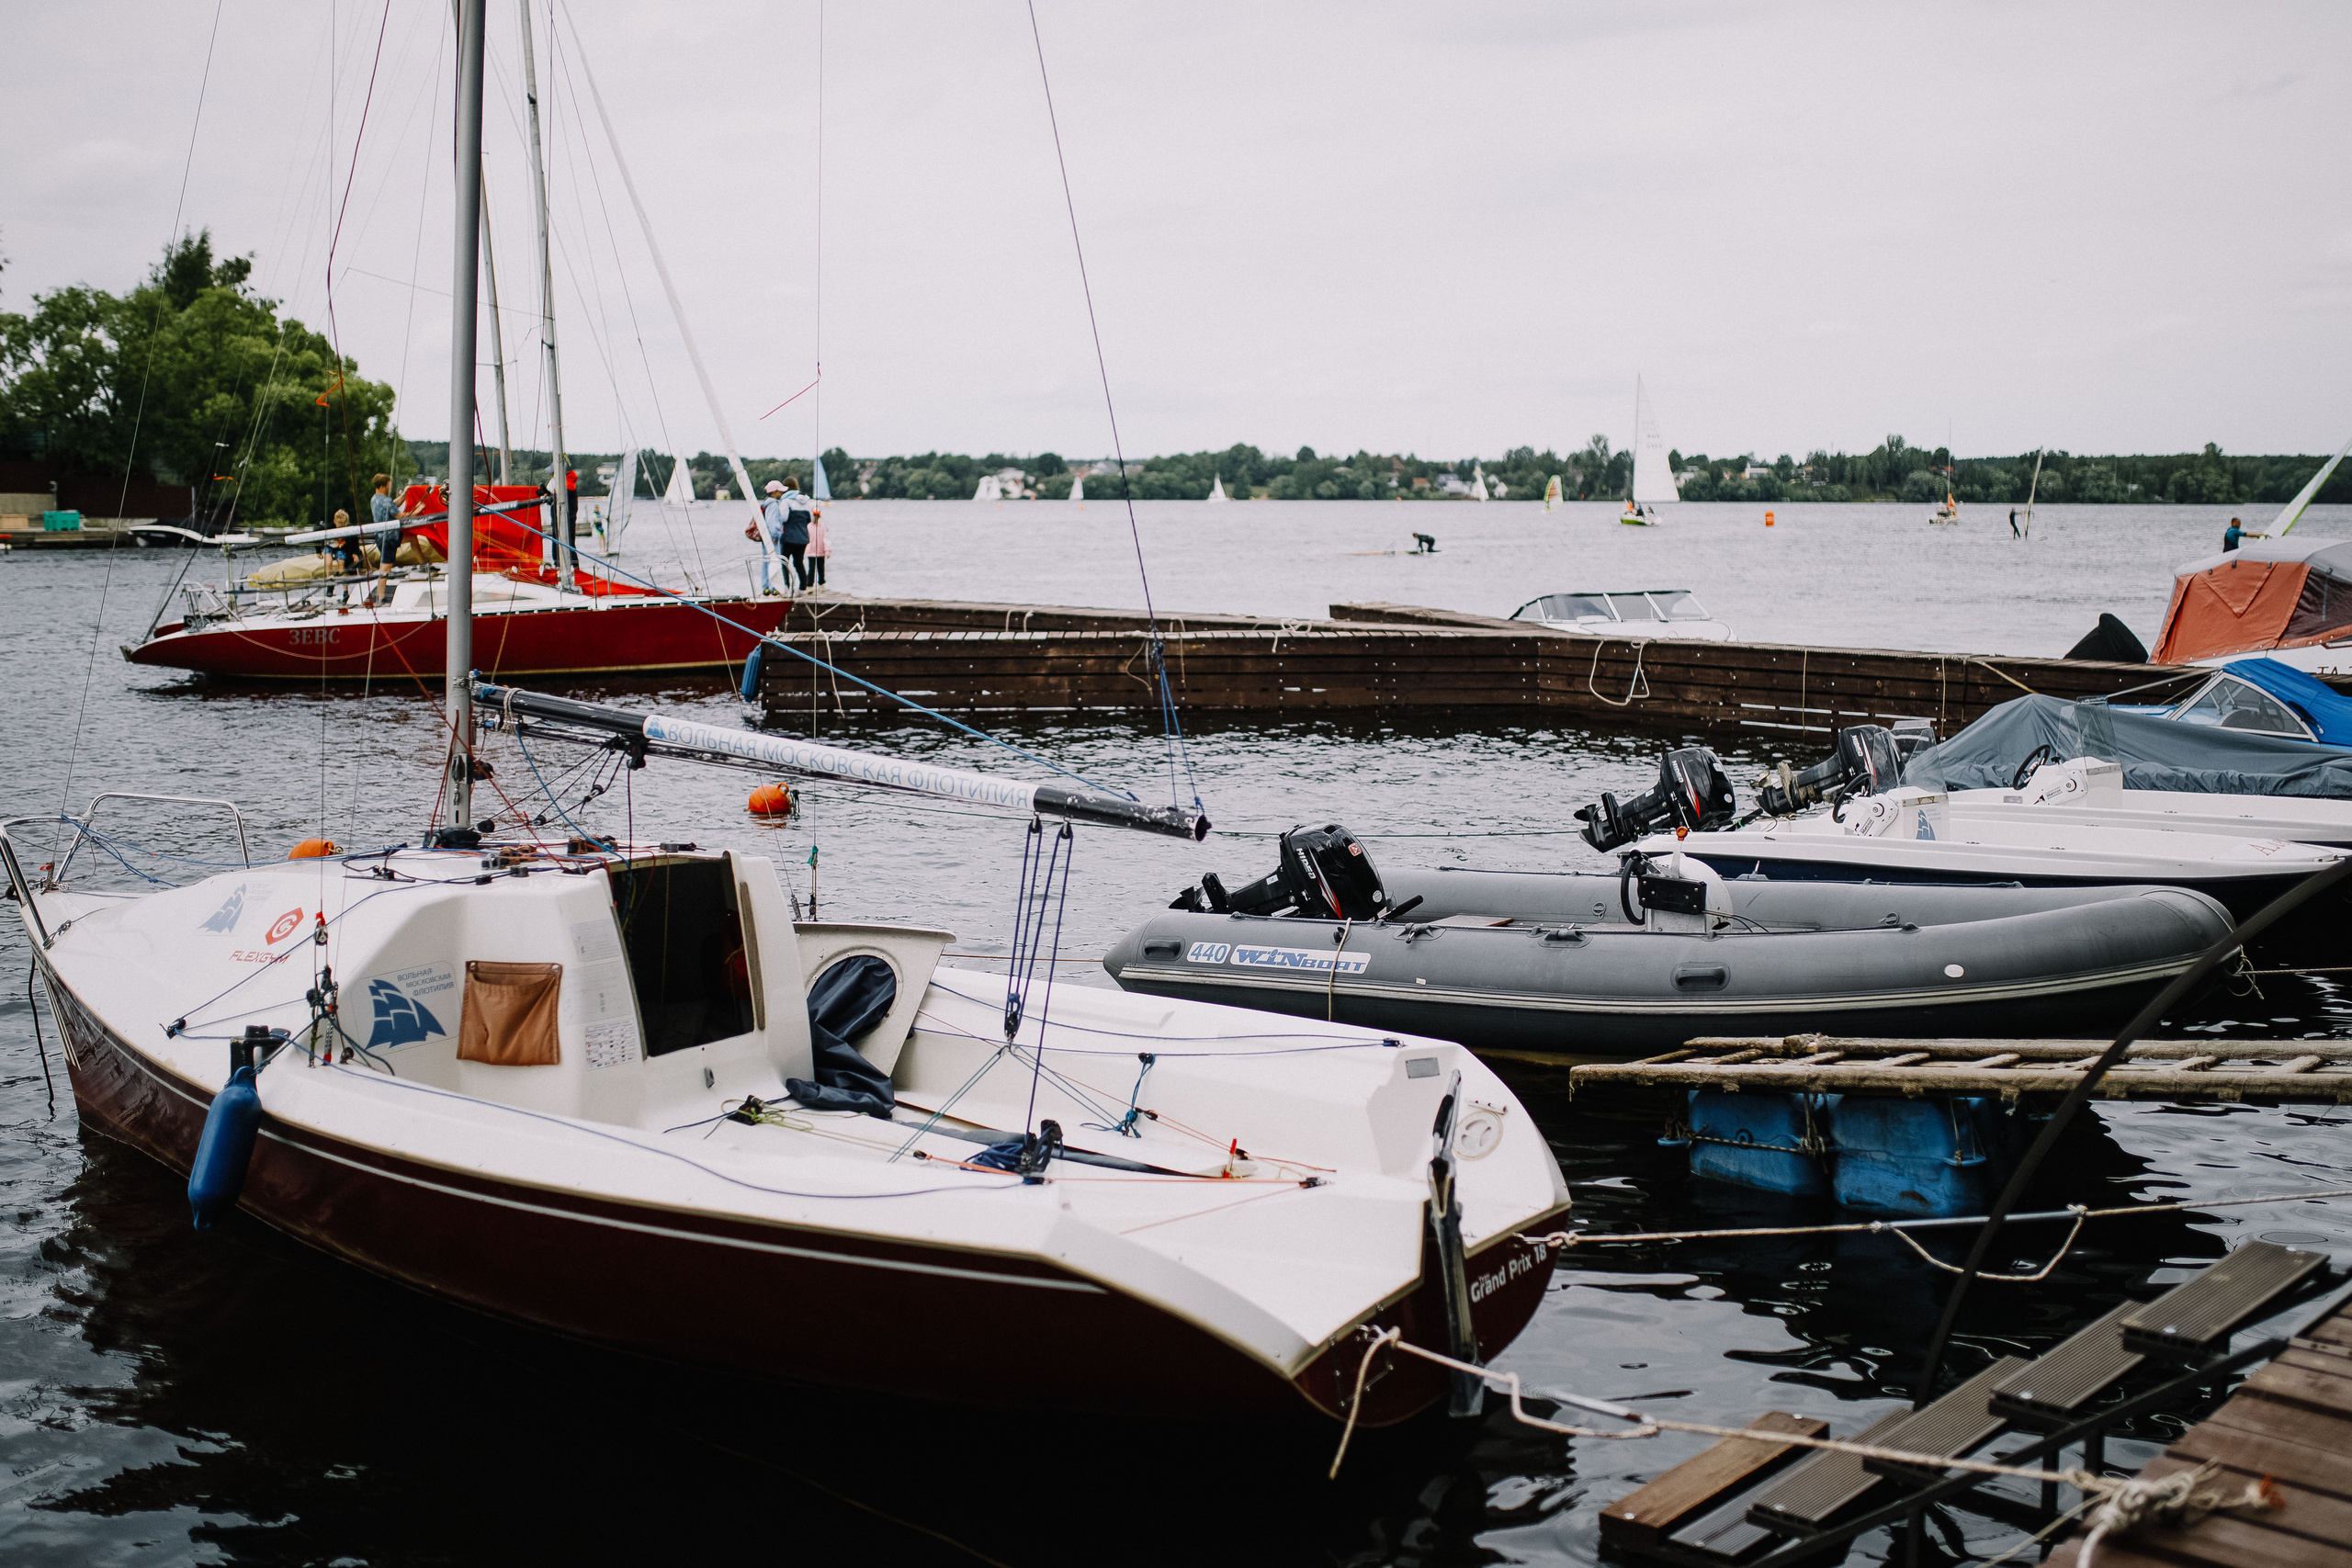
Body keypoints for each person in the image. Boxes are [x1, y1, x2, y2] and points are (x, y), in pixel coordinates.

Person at [369, 474, 403, 565]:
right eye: (389, 486)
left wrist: (404, 495)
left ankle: (422, 561)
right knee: (386, 565)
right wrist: (418, 509)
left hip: (379, 537)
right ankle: (382, 579)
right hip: (389, 538)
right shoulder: (386, 501)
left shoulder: (374, 499)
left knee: (412, 538)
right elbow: (400, 516)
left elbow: (392, 505)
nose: (390, 488)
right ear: (382, 487)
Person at [803, 504, 830, 589]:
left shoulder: (823, 527)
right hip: (811, 552)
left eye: (817, 515)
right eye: (814, 515)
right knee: (811, 569)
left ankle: (821, 584)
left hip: (821, 551)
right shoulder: (808, 526)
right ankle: (809, 585)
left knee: (821, 569)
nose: (815, 517)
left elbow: (826, 539)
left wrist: (827, 550)